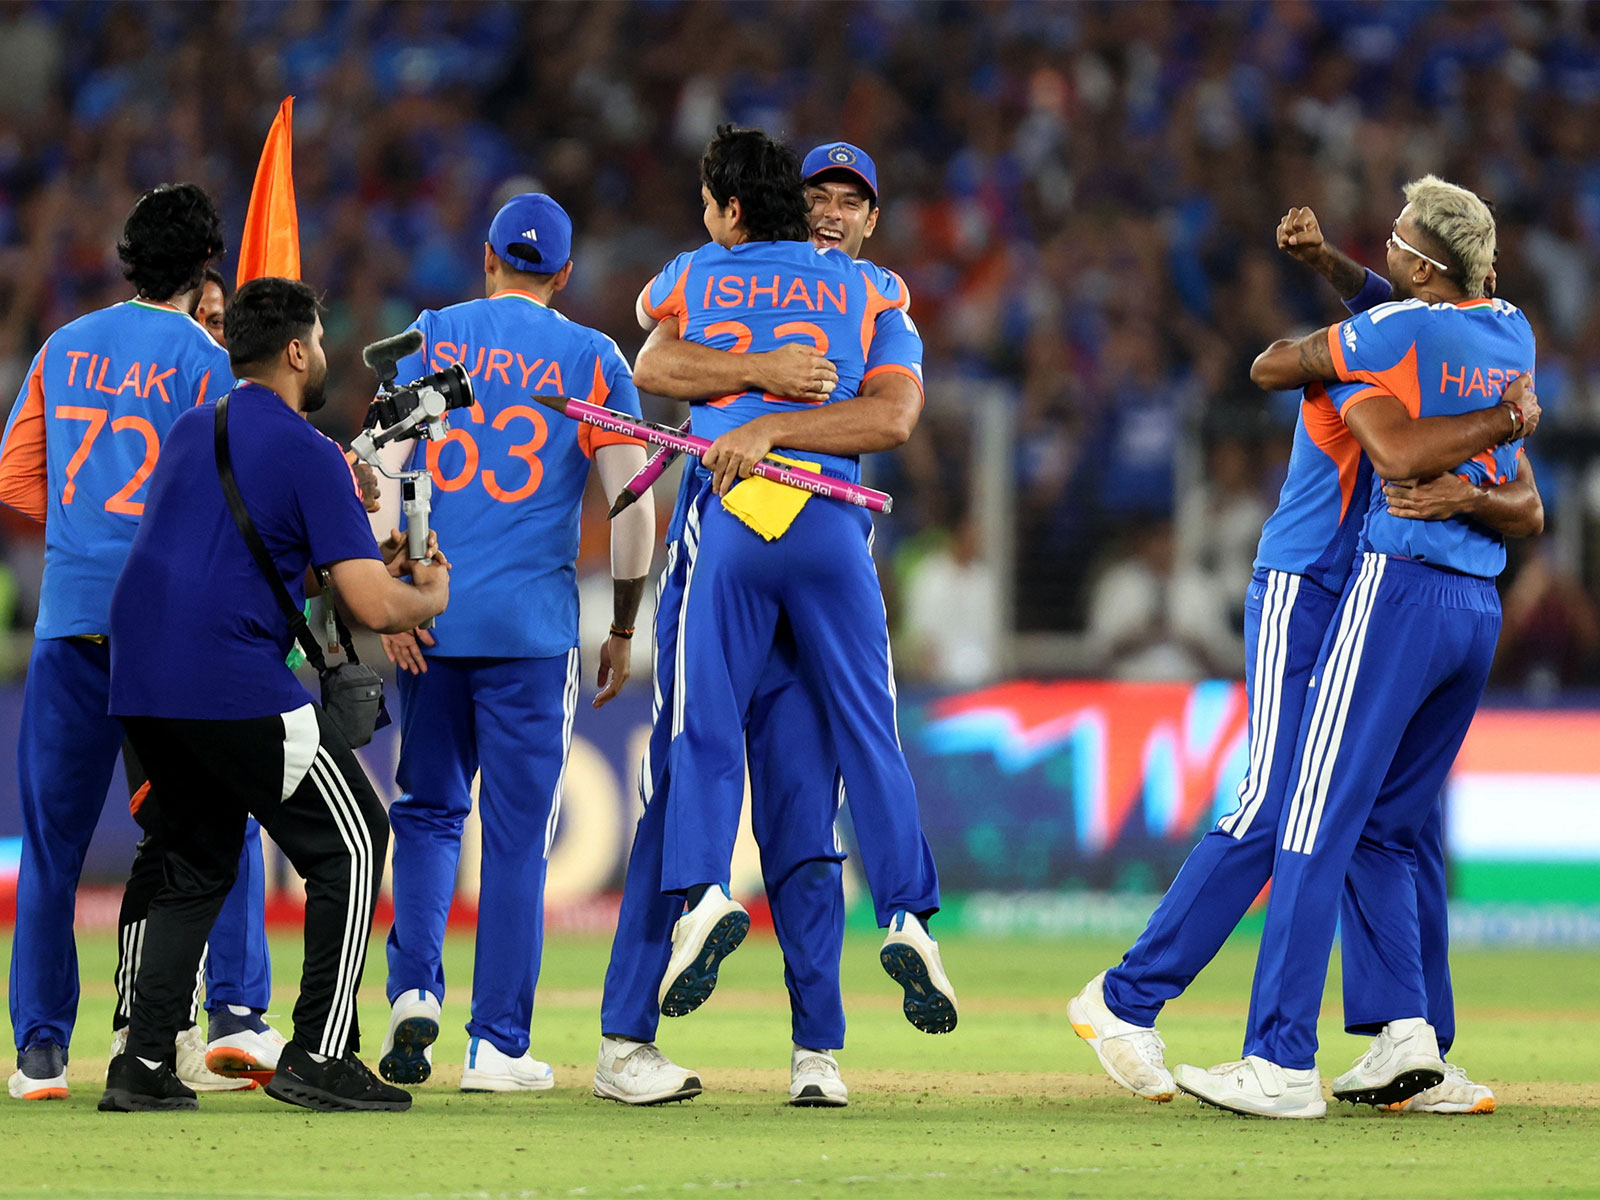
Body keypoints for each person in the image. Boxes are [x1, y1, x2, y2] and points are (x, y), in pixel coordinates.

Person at [1069, 189, 1540, 1117]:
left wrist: (1332, 266)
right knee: (1284, 802)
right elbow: (1391, 430)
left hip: (1381, 588)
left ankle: (1415, 1044)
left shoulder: (1418, 341)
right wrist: (1497, 433)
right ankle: (1126, 1000)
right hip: (1311, 583)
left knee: (1399, 826)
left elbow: (1403, 335)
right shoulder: (1393, 357)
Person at [596, 126, 951, 1104]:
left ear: (872, 220)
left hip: (748, 527)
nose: (832, 209)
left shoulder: (867, 302)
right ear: (793, 206)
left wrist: (761, 419)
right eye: (818, 195)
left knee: (791, 805)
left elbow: (885, 418)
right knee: (686, 786)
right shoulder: (853, 299)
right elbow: (659, 362)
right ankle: (630, 1037)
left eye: (851, 200)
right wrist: (769, 382)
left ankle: (813, 1052)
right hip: (794, 533)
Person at [98, 276, 449, 1112]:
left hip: (141, 678)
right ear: (296, 350)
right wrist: (429, 594)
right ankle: (321, 1055)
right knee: (356, 838)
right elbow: (370, 605)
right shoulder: (309, 448)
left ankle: (142, 1063)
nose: (324, 354)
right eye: (320, 340)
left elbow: (238, 557)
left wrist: (348, 559)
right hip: (228, 678)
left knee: (189, 859)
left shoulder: (192, 430)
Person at [373, 193, 654, 1093]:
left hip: (434, 615)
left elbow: (381, 471)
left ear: (487, 257)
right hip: (533, 633)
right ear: (564, 274)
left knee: (424, 814)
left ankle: (414, 989)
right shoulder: (592, 359)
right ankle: (495, 1044)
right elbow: (631, 504)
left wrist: (396, 598)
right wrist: (620, 622)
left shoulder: (428, 335)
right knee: (518, 836)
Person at [0, 183, 249, 1102]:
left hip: (70, 621)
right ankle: (216, 1021)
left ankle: (37, 1053)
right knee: (199, 831)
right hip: (165, 631)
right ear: (203, 273)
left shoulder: (64, 346)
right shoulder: (204, 358)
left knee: (52, 846)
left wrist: (83, 532)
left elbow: (18, 479)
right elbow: (233, 491)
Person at [108, 259, 284, 1092]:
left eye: (222, 324)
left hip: (218, 644)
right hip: (172, 648)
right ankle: (141, 1029)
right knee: (173, 844)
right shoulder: (192, 416)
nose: (211, 337)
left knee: (210, 839)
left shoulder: (215, 414)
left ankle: (221, 1022)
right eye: (204, 319)